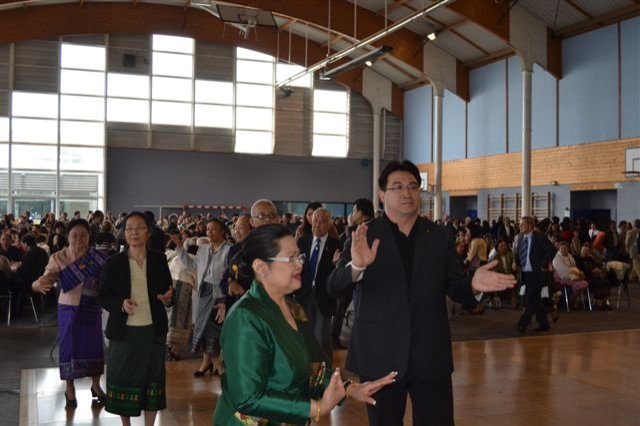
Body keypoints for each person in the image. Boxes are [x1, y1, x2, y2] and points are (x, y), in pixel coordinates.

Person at [327, 160, 515, 425]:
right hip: (380, 354)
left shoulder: (438, 236)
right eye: (398, 186)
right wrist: (357, 266)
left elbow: (456, 286)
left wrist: (473, 285)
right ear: (382, 194)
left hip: (430, 354)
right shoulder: (364, 234)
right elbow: (334, 286)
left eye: (413, 186)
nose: (407, 192)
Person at [213, 224, 397, 425]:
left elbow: (315, 369)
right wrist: (316, 408)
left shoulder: (294, 310)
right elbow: (247, 398)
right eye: (290, 258)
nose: (300, 265)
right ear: (261, 267)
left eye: (299, 257)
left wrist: (350, 389)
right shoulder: (246, 317)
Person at [98, 211, 173, 426]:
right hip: (124, 331)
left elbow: (168, 289)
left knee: (153, 379)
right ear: (124, 233)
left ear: (148, 232)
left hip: (153, 329)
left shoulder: (158, 259)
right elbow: (103, 296)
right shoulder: (114, 262)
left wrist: (168, 296)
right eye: (129, 228)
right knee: (123, 378)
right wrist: (121, 304)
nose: (134, 232)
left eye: (140, 227)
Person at [32, 219, 108, 408]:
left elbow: (108, 280)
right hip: (69, 309)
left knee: (94, 347)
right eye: (75, 236)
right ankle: (69, 388)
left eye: (83, 235)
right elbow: (47, 278)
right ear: (68, 237)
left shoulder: (98, 257)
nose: (79, 239)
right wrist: (37, 285)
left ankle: (96, 386)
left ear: (89, 237)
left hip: (92, 308)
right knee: (69, 348)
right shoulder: (59, 257)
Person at [171, 218, 230, 377]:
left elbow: (230, 274)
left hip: (221, 294)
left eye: (214, 229)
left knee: (220, 328)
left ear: (223, 231)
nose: (209, 232)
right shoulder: (203, 249)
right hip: (204, 292)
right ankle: (206, 362)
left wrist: (225, 297)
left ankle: (222, 363)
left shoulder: (228, 250)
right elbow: (191, 266)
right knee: (203, 327)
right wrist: (179, 247)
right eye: (208, 229)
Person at [294, 208, 341, 359]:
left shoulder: (336, 245)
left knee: (321, 339)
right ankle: (306, 368)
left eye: (322, 222)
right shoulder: (302, 242)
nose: (317, 225)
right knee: (303, 335)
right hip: (303, 295)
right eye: (315, 221)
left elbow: (338, 275)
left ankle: (325, 371)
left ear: (329, 224)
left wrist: (337, 265)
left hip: (324, 297)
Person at [514, 216, 556, 334]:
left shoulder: (539, 237)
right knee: (535, 300)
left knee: (529, 300)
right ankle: (544, 322)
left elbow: (551, 250)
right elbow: (518, 252)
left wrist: (543, 264)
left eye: (523, 224)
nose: (520, 226)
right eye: (520, 224)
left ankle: (522, 324)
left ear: (530, 226)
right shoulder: (520, 237)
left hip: (537, 274)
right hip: (525, 274)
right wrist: (516, 262)